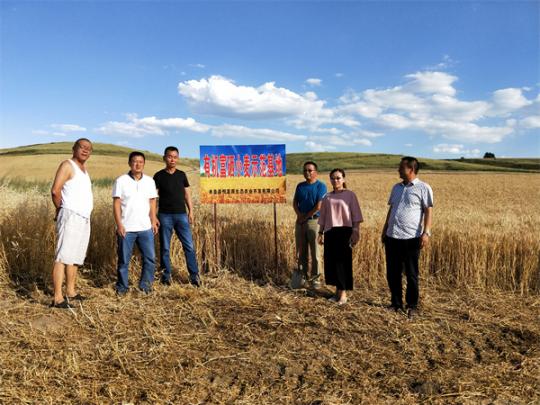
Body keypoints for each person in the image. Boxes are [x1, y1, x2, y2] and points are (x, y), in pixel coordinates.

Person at [381, 156, 433, 319]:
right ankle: (396, 303)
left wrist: (426, 232)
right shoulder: (396, 187)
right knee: (393, 272)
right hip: (392, 235)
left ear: (411, 169)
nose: (398, 169)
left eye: (401, 167)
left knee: (411, 273)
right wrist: (385, 229)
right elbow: (392, 209)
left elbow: (428, 211)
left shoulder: (424, 188)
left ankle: (412, 306)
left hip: (411, 237)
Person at [50, 138, 94, 308]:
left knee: (75, 256)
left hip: (83, 217)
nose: (85, 150)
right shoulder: (67, 165)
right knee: (62, 256)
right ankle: (57, 298)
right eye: (82, 147)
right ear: (74, 148)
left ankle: (70, 291)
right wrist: (60, 209)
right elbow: (55, 191)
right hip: (70, 215)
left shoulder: (84, 170)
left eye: (88, 148)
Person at [113, 151, 159, 294]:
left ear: (144, 164)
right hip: (126, 228)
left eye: (140, 162)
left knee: (150, 258)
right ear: (129, 163)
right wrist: (119, 224)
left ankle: (145, 286)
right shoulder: (121, 181)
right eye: (134, 161)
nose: (137, 164)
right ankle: (122, 287)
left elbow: (152, 201)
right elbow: (116, 203)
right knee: (124, 260)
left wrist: (153, 220)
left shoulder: (150, 181)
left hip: (145, 227)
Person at [153, 146, 200, 287]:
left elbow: (187, 194)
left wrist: (191, 211)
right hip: (164, 216)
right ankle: (166, 277)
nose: (172, 159)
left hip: (181, 215)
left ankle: (194, 277)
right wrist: (153, 216)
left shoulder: (181, 175)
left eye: (175, 157)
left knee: (189, 246)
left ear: (177, 159)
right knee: (165, 248)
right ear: (164, 158)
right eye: (169, 156)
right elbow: (153, 198)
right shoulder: (158, 176)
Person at [317, 169, 363, 304]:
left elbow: (356, 215)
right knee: (331, 263)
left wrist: (356, 231)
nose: (335, 180)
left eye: (338, 178)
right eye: (333, 178)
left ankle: (343, 294)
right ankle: (337, 292)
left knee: (342, 263)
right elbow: (323, 217)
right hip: (330, 232)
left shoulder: (350, 195)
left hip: (345, 232)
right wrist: (320, 233)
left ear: (343, 179)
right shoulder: (327, 197)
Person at [292, 161, 327, 288]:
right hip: (300, 221)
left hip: (314, 221)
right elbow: (295, 202)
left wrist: (304, 218)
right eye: (305, 170)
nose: (307, 172)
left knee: (316, 252)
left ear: (315, 172)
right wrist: (299, 216)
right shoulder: (300, 186)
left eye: (310, 170)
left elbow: (318, 206)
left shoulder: (321, 186)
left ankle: (315, 279)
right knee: (301, 251)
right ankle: (303, 277)